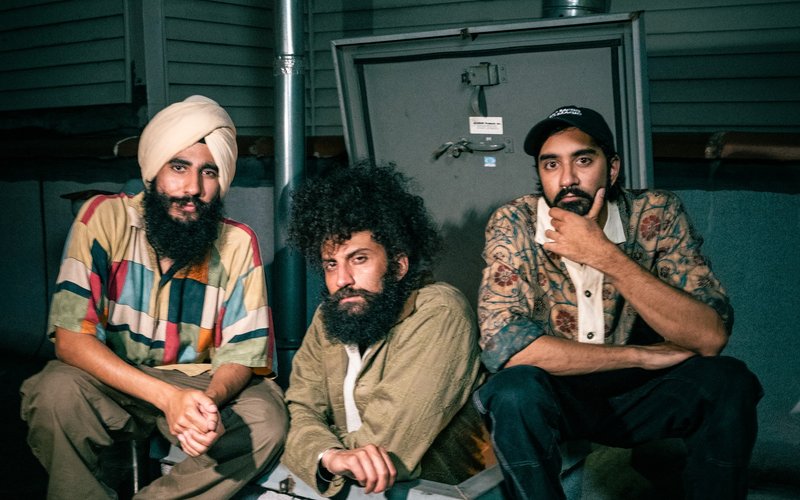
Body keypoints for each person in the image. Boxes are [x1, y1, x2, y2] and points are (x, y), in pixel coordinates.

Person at [473, 105, 763, 499]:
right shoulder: (515, 222)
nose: (567, 179)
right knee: (511, 391)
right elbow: (505, 347)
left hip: (635, 395)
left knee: (729, 381)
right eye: (551, 165)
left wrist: (604, 255)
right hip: (560, 390)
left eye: (583, 161)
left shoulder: (656, 212)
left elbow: (709, 337)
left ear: (611, 169)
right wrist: (639, 356)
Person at [20, 95, 287, 499]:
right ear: (154, 170)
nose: (193, 188)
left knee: (265, 422)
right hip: (114, 377)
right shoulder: (103, 218)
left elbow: (242, 356)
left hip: (199, 381)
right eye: (179, 167)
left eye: (209, 172)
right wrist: (167, 397)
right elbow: (72, 339)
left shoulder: (237, 242)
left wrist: (204, 403)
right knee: (53, 394)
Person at [281, 162, 491, 497]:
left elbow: (387, 447)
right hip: (349, 492)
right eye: (331, 264)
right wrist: (330, 455)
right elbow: (298, 410)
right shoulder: (328, 317)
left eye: (359, 259)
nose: (342, 279)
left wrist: (313, 449)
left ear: (398, 265)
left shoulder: (439, 312)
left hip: (431, 493)